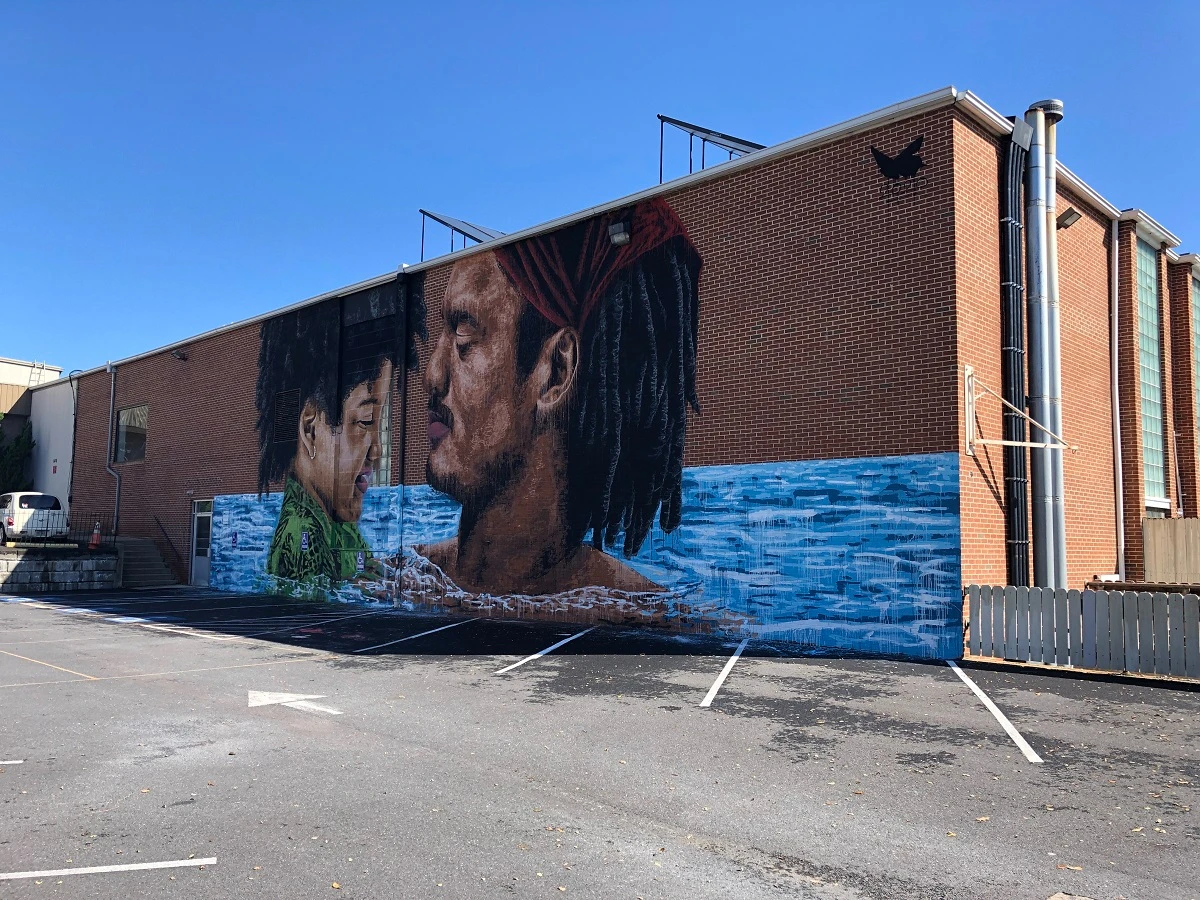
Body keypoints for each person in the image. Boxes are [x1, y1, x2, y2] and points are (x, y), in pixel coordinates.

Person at [419, 197, 702, 597]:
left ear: (555, 371)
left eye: (464, 332)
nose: (432, 375)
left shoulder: (638, 612)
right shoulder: (396, 575)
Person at [254, 294, 401, 584]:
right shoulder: (301, 534)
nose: (377, 450)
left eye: (381, 423)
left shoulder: (336, 517)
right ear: (311, 430)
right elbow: (311, 601)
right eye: (366, 421)